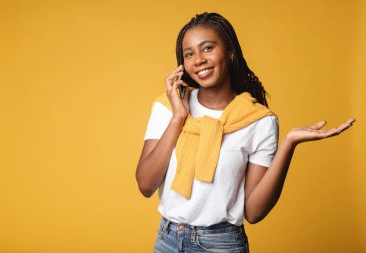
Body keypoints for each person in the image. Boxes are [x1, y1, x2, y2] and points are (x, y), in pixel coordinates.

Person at [135, 12, 355, 253]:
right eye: (189, 54)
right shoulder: (167, 107)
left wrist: (289, 144)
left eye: (207, 48)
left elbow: (254, 211)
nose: (198, 60)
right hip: (167, 240)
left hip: (222, 244)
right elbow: (146, 184)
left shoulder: (258, 121)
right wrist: (178, 118)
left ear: (229, 52)